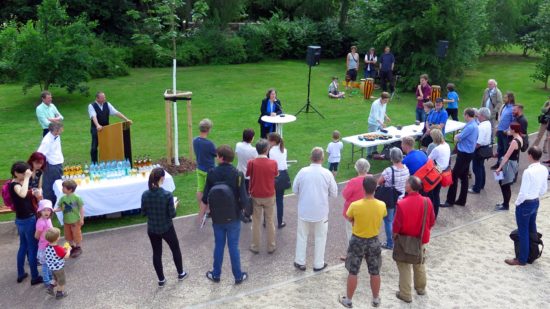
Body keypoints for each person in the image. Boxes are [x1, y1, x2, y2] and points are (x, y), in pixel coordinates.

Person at [202, 145, 248, 284]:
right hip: (233, 216)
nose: (216, 157)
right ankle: (238, 276)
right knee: (233, 247)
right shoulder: (237, 174)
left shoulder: (211, 173)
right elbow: (244, 198)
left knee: (219, 246)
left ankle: (216, 274)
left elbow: (205, 198)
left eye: (217, 155)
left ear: (221, 158)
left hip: (217, 217)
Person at [338, 176, 387, 308]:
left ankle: (348, 300)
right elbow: (383, 215)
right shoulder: (381, 205)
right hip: (374, 240)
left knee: (353, 271)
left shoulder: (355, 205)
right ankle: (376, 299)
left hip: (357, 240)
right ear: (375, 188)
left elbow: (349, 217)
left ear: (363, 188)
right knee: (375, 271)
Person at [293, 147, 338, 271]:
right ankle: (318, 263)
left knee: (302, 235)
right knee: (320, 237)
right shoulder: (327, 173)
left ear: (310, 157)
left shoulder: (303, 171)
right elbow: (334, 193)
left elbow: (294, 189)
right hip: (321, 211)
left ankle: (300, 261)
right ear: (322, 159)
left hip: (304, 210)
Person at [141, 168, 188, 287]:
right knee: (175, 249)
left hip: (152, 229)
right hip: (167, 227)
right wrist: (174, 205)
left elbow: (143, 213)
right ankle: (180, 273)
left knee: (156, 253)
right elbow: (172, 214)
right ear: (161, 178)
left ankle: (161, 279)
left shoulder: (145, 194)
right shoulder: (167, 195)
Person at [393, 176, 436, 304]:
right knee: (419, 263)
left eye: (406, 183)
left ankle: (405, 294)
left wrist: (395, 237)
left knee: (404, 266)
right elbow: (432, 221)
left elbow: (396, 226)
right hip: (421, 239)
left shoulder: (401, 204)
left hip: (404, 240)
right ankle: (421, 288)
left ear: (410, 187)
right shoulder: (427, 201)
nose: (405, 185)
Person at [504, 146, 548, 266]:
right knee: (532, 228)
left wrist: (518, 203)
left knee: (523, 231)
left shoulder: (528, 172)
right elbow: (544, 189)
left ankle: (522, 259)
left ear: (530, 156)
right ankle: (533, 252)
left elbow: (523, 192)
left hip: (526, 203)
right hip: (535, 201)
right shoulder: (544, 169)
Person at [9, 161, 43, 285]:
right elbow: (23, 194)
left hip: (20, 220)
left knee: (23, 246)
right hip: (28, 220)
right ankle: (35, 277)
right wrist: (28, 178)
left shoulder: (15, 182)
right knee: (32, 247)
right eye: (23, 173)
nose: (25, 175)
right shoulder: (15, 185)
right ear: (16, 173)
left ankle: (21, 273)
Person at [246, 139, 278, 254]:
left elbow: (248, 174)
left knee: (256, 222)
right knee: (269, 221)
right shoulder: (273, 163)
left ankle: (255, 247)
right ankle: (271, 246)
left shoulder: (251, 162)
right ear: (266, 150)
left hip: (255, 195)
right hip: (269, 195)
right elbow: (275, 174)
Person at [442, 108, 479, 207]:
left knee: (454, 176)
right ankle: (462, 200)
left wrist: (456, 137)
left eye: (464, 115)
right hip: (468, 153)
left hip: (464, 154)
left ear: (467, 115)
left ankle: (450, 201)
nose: (464, 116)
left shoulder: (470, 126)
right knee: (464, 177)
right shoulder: (474, 125)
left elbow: (459, 137)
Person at [377, 148, 410, 249]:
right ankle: (397, 240)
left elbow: (379, 182)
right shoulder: (406, 169)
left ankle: (390, 243)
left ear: (391, 158)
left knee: (388, 221)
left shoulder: (388, 171)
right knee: (397, 221)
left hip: (390, 199)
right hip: (401, 199)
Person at [88, 92, 132, 163]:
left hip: (107, 128)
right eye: (102, 98)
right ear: (97, 98)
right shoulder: (91, 106)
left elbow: (116, 112)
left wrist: (126, 119)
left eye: (104, 97)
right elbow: (93, 116)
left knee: (107, 145)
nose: (104, 99)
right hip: (96, 129)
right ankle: (94, 163)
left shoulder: (107, 104)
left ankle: (106, 161)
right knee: (94, 147)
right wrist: (98, 125)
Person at [341, 158, 371, 260]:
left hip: (353, 213)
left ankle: (352, 255)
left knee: (351, 234)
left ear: (357, 168)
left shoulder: (353, 181)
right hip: (367, 211)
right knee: (365, 233)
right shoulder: (371, 178)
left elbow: (345, 195)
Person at [494, 123, 523, 211]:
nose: (508, 130)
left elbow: (507, 156)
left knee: (505, 184)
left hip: (508, 164)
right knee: (504, 183)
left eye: (510, 128)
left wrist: (499, 168)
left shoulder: (514, 141)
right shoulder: (519, 138)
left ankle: (506, 205)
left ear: (514, 130)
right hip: (512, 163)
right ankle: (504, 203)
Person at [54, 179, 84, 257]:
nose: (62, 189)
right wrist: (53, 210)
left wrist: (81, 219)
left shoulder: (77, 198)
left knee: (76, 234)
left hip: (75, 221)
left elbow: (81, 208)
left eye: (64, 187)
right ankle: (72, 247)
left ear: (70, 189)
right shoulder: (63, 198)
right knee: (68, 235)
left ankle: (78, 247)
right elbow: (60, 208)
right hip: (66, 221)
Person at [193, 119, 217, 220]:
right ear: (208, 129)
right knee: (211, 190)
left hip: (199, 168)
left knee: (200, 189)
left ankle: (202, 209)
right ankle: (211, 210)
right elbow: (216, 154)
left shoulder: (195, 140)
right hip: (209, 170)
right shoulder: (209, 144)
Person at [37, 122, 64, 207]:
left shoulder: (57, 136)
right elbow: (40, 154)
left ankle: (56, 204)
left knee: (58, 184)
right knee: (51, 186)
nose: (62, 130)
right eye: (60, 129)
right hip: (52, 166)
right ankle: (50, 206)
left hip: (57, 163)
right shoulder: (47, 141)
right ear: (56, 131)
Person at [235, 128, 258, 223]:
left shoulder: (238, 145)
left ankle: (239, 212)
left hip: (239, 173)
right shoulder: (253, 150)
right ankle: (247, 215)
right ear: (252, 138)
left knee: (239, 193)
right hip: (248, 176)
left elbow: (237, 154)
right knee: (248, 196)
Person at [268, 132, 289, 229]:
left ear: (273, 141)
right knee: (280, 201)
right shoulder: (284, 150)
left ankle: (266, 221)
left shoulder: (271, 151)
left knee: (269, 200)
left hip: (274, 176)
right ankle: (280, 222)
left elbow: (271, 164)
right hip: (283, 175)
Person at [427, 129, 450, 218]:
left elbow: (428, 159)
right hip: (443, 171)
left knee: (431, 194)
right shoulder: (447, 145)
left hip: (436, 172)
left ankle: (431, 214)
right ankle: (435, 214)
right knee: (436, 194)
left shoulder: (437, 149)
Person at [469, 107, 492, 194]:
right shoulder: (488, 123)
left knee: (476, 168)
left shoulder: (482, 126)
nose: (477, 116)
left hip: (479, 149)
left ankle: (476, 188)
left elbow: (478, 142)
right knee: (481, 167)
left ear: (482, 116)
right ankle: (481, 185)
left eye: (478, 115)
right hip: (485, 148)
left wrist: (472, 150)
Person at [44, 227, 71, 298]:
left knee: (55, 279)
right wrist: (68, 250)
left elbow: (57, 252)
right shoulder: (58, 249)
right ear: (57, 238)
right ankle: (60, 294)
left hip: (52, 268)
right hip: (59, 269)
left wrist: (63, 249)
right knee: (61, 281)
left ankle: (50, 287)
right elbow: (66, 256)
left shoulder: (47, 246)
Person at [491, 92, 515, 169]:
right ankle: (499, 163)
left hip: (506, 133)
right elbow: (501, 118)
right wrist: (498, 127)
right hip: (500, 131)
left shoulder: (512, 109)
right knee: (500, 149)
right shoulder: (504, 106)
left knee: (506, 149)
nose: (504, 99)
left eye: (505, 97)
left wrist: (508, 130)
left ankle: (504, 166)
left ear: (510, 98)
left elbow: (513, 121)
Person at [35, 199, 54, 293]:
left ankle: (50, 277)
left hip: (50, 246)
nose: (46, 212)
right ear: (40, 211)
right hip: (43, 248)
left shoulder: (48, 219)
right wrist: (43, 240)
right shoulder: (41, 222)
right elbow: (36, 235)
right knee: (45, 265)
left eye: (48, 210)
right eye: (44, 210)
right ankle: (46, 281)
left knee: (49, 263)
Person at [367, 92, 391, 156]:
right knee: (371, 137)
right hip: (373, 123)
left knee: (378, 136)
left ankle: (374, 151)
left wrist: (386, 117)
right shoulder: (375, 104)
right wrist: (382, 124)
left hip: (380, 123)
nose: (386, 102)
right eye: (385, 100)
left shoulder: (384, 103)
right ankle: (368, 154)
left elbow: (383, 112)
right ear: (381, 98)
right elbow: (376, 117)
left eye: (387, 100)